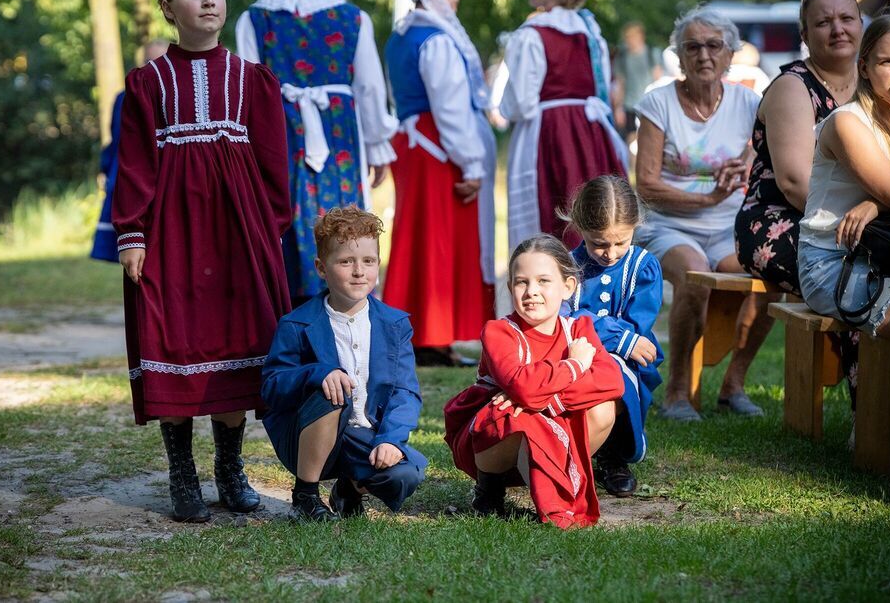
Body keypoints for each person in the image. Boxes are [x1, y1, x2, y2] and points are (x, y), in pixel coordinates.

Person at [113, 0, 291, 522]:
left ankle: (230, 469)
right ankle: (182, 473)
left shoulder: (252, 80)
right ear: (169, 8)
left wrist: (271, 231)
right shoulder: (148, 83)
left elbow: (272, 166)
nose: (208, 2)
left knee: (234, 341)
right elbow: (135, 164)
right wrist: (133, 235)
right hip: (171, 233)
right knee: (177, 339)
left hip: (238, 234)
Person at [235, 0, 398, 306]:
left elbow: (247, 91)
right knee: (341, 215)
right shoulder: (352, 17)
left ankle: (289, 311)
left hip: (282, 133)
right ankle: (345, 306)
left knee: (287, 215)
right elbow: (371, 89)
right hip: (338, 130)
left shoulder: (254, 19)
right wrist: (378, 150)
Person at [634, 6, 777, 422]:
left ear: (730, 54)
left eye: (714, 46)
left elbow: (766, 160)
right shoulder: (657, 102)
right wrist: (708, 199)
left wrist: (749, 165)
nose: (704, 56)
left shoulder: (750, 103)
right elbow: (645, 185)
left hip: (729, 229)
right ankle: (677, 392)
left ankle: (734, 384)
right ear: (678, 56)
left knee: (771, 275)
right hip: (668, 225)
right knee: (695, 275)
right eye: (692, 47)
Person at [734, 0, 863, 404]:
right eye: (823, 22)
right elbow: (793, 184)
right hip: (777, 220)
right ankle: (874, 410)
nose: (838, 29)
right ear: (805, 36)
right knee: (862, 280)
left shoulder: (873, 82)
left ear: (863, 24)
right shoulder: (794, 86)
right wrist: (860, 225)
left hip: (856, 219)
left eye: (847, 18)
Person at [444, 234, 624, 528]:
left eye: (543, 281)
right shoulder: (499, 332)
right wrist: (574, 366)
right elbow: (522, 387)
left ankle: (559, 479)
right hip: (493, 444)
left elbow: (611, 381)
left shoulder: (578, 329)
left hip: (554, 432)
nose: (531, 291)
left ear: (568, 287)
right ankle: (490, 491)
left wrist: (542, 400)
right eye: (521, 282)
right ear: (510, 288)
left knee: (604, 406)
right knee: (517, 416)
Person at [261, 206, 427, 520]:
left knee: (404, 475)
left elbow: (406, 392)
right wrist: (317, 373)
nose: (358, 272)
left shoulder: (394, 325)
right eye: (346, 261)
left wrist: (390, 439)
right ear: (321, 268)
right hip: (307, 435)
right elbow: (271, 387)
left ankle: (349, 488)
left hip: (364, 435)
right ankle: (306, 495)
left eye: (368, 261)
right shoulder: (297, 323)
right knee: (332, 389)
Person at [384, 0, 497, 366]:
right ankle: (430, 336)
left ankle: (429, 337)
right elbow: (449, 108)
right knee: (437, 242)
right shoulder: (435, 41)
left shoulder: (402, 36)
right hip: (437, 149)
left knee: (421, 238)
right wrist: (471, 163)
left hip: (415, 146)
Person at [799, 12, 890, 350]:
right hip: (837, 261)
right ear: (864, 68)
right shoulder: (847, 123)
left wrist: (876, 204)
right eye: (888, 62)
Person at [501, 0, 628, 250]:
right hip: (590, 133)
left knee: (554, 207)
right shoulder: (590, 32)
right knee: (591, 205)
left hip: (549, 135)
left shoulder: (533, 34)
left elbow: (519, 102)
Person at [564, 175, 663, 497]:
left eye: (620, 241)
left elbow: (638, 326)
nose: (610, 253)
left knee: (619, 379)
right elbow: (562, 318)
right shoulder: (566, 266)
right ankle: (566, 451)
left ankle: (613, 456)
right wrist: (609, 335)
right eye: (599, 243)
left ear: (636, 225)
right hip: (572, 351)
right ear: (580, 227)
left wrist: (613, 339)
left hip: (626, 356)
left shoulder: (642, 267)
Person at [91, 40, 169, 262]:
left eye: (160, 62)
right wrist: (107, 170)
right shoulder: (125, 98)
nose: (154, 68)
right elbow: (117, 140)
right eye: (148, 62)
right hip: (132, 178)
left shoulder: (178, 95)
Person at [614, 21, 663, 143]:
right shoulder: (622, 57)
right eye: (627, 37)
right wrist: (618, 108)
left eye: (632, 36)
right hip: (629, 106)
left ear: (641, 36)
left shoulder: (652, 54)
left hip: (650, 106)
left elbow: (659, 82)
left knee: (650, 140)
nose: (630, 40)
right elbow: (620, 84)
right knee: (631, 140)